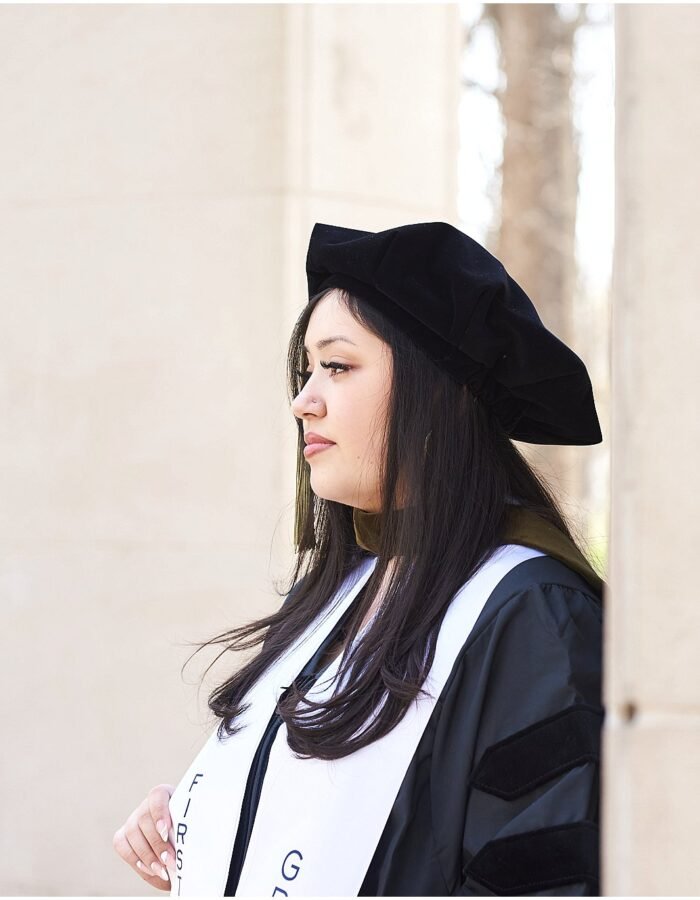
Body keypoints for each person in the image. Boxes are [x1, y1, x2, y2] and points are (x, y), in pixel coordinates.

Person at [113, 221, 605, 896]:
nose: (303, 402)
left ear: (439, 389)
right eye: (306, 370)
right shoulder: (340, 592)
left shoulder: (533, 619)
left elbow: (541, 874)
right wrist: (205, 820)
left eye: (337, 367)